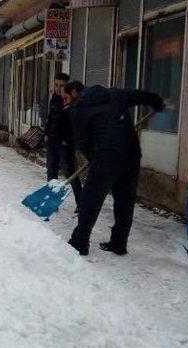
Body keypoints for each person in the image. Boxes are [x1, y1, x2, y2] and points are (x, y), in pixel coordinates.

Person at [63, 81, 164, 256]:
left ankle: (80, 241)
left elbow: (82, 142)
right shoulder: (114, 94)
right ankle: (118, 243)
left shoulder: (77, 110)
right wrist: (157, 102)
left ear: (74, 92)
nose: (65, 102)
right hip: (131, 154)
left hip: (106, 156)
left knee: (90, 199)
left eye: (65, 98)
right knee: (125, 201)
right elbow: (141, 95)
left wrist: (94, 157)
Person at [44, 73, 82, 210]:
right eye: (56, 85)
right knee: (51, 171)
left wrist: (68, 140)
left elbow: (74, 125)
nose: (58, 88)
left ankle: (81, 204)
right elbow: (50, 118)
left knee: (70, 173)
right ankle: (52, 202)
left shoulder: (70, 101)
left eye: (61, 86)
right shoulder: (54, 99)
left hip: (65, 144)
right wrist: (46, 134)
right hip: (52, 141)